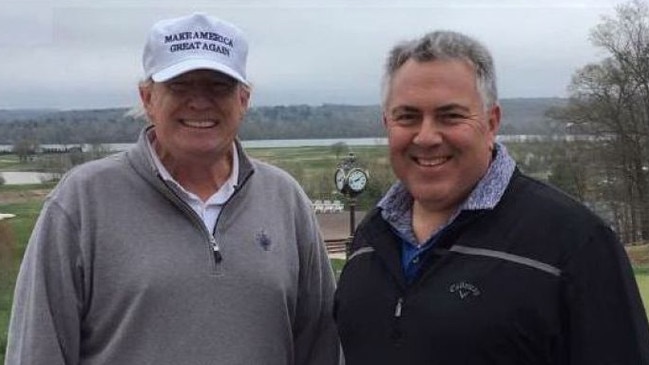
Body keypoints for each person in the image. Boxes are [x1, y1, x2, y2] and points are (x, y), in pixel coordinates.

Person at [6, 13, 340, 365]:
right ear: (147, 97)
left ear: (244, 99)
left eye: (218, 86)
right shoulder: (82, 201)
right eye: (180, 86)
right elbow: (37, 349)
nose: (199, 102)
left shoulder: (284, 199)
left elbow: (321, 345)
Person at [334, 30, 649, 364]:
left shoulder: (574, 243)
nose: (426, 137)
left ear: (492, 122)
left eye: (450, 115)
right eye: (407, 117)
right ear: (387, 124)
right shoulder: (369, 240)